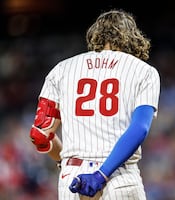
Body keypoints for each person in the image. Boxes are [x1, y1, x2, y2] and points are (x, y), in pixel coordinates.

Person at [29, 8, 160, 200]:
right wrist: (101, 174)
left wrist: (63, 161)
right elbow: (139, 128)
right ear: (132, 37)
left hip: (71, 179)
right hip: (120, 178)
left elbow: (39, 134)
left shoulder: (62, 69)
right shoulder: (144, 71)